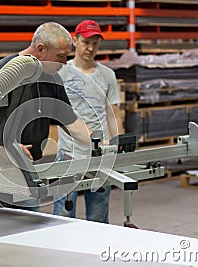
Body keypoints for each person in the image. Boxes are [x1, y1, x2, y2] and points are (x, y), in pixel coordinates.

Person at [0, 22, 93, 210]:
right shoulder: (2, 74)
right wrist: (6, 150)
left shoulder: (51, 79)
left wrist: (102, 145)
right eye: (61, 56)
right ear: (41, 49)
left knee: (28, 230)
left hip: (28, 176)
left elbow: (70, 122)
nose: (65, 63)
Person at [53, 20, 124, 223]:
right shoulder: (62, 72)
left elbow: (113, 113)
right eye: (86, 42)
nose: (90, 48)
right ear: (75, 41)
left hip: (100, 154)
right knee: (64, 214)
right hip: (69, 154)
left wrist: (117, 145)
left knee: (99, 214)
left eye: (95, 43)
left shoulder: (107, 75)